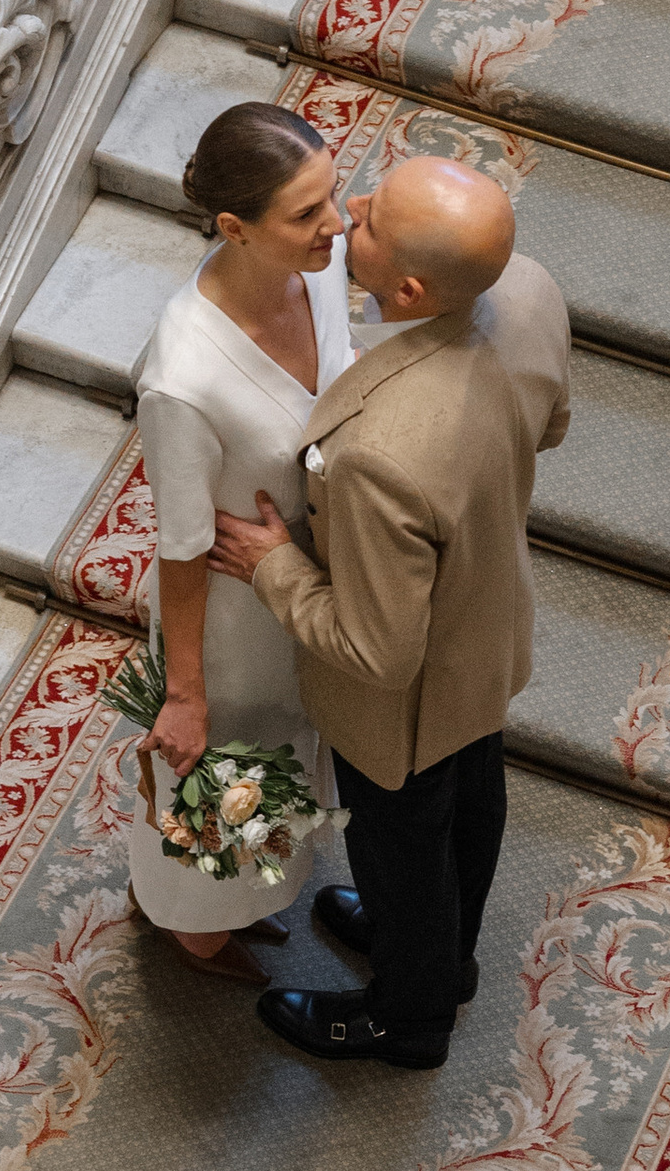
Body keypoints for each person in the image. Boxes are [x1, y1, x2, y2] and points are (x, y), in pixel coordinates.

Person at [212, 151, 571, 1070]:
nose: (350, 211)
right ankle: (443, 957)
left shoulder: (381, 454)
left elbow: (375, 652)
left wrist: (274, 565)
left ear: (408, 287)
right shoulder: (528, 291)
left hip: (404, 706)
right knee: (473, 794)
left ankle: (408, 1019)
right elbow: (551, 423)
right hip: (490, 627)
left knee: (402, 842)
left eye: (366, 220)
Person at [127, 102, 355, 979]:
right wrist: (185, 694)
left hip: (304, 582)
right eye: (306, 212)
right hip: (228, 625)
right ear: (235, 229)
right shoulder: (182, 380)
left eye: (332, 194)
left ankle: (258, 888)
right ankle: (195, 929)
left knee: (296, 749)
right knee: (228, 770)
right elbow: (181, 547)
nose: (334, 223)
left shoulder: (321, 268)